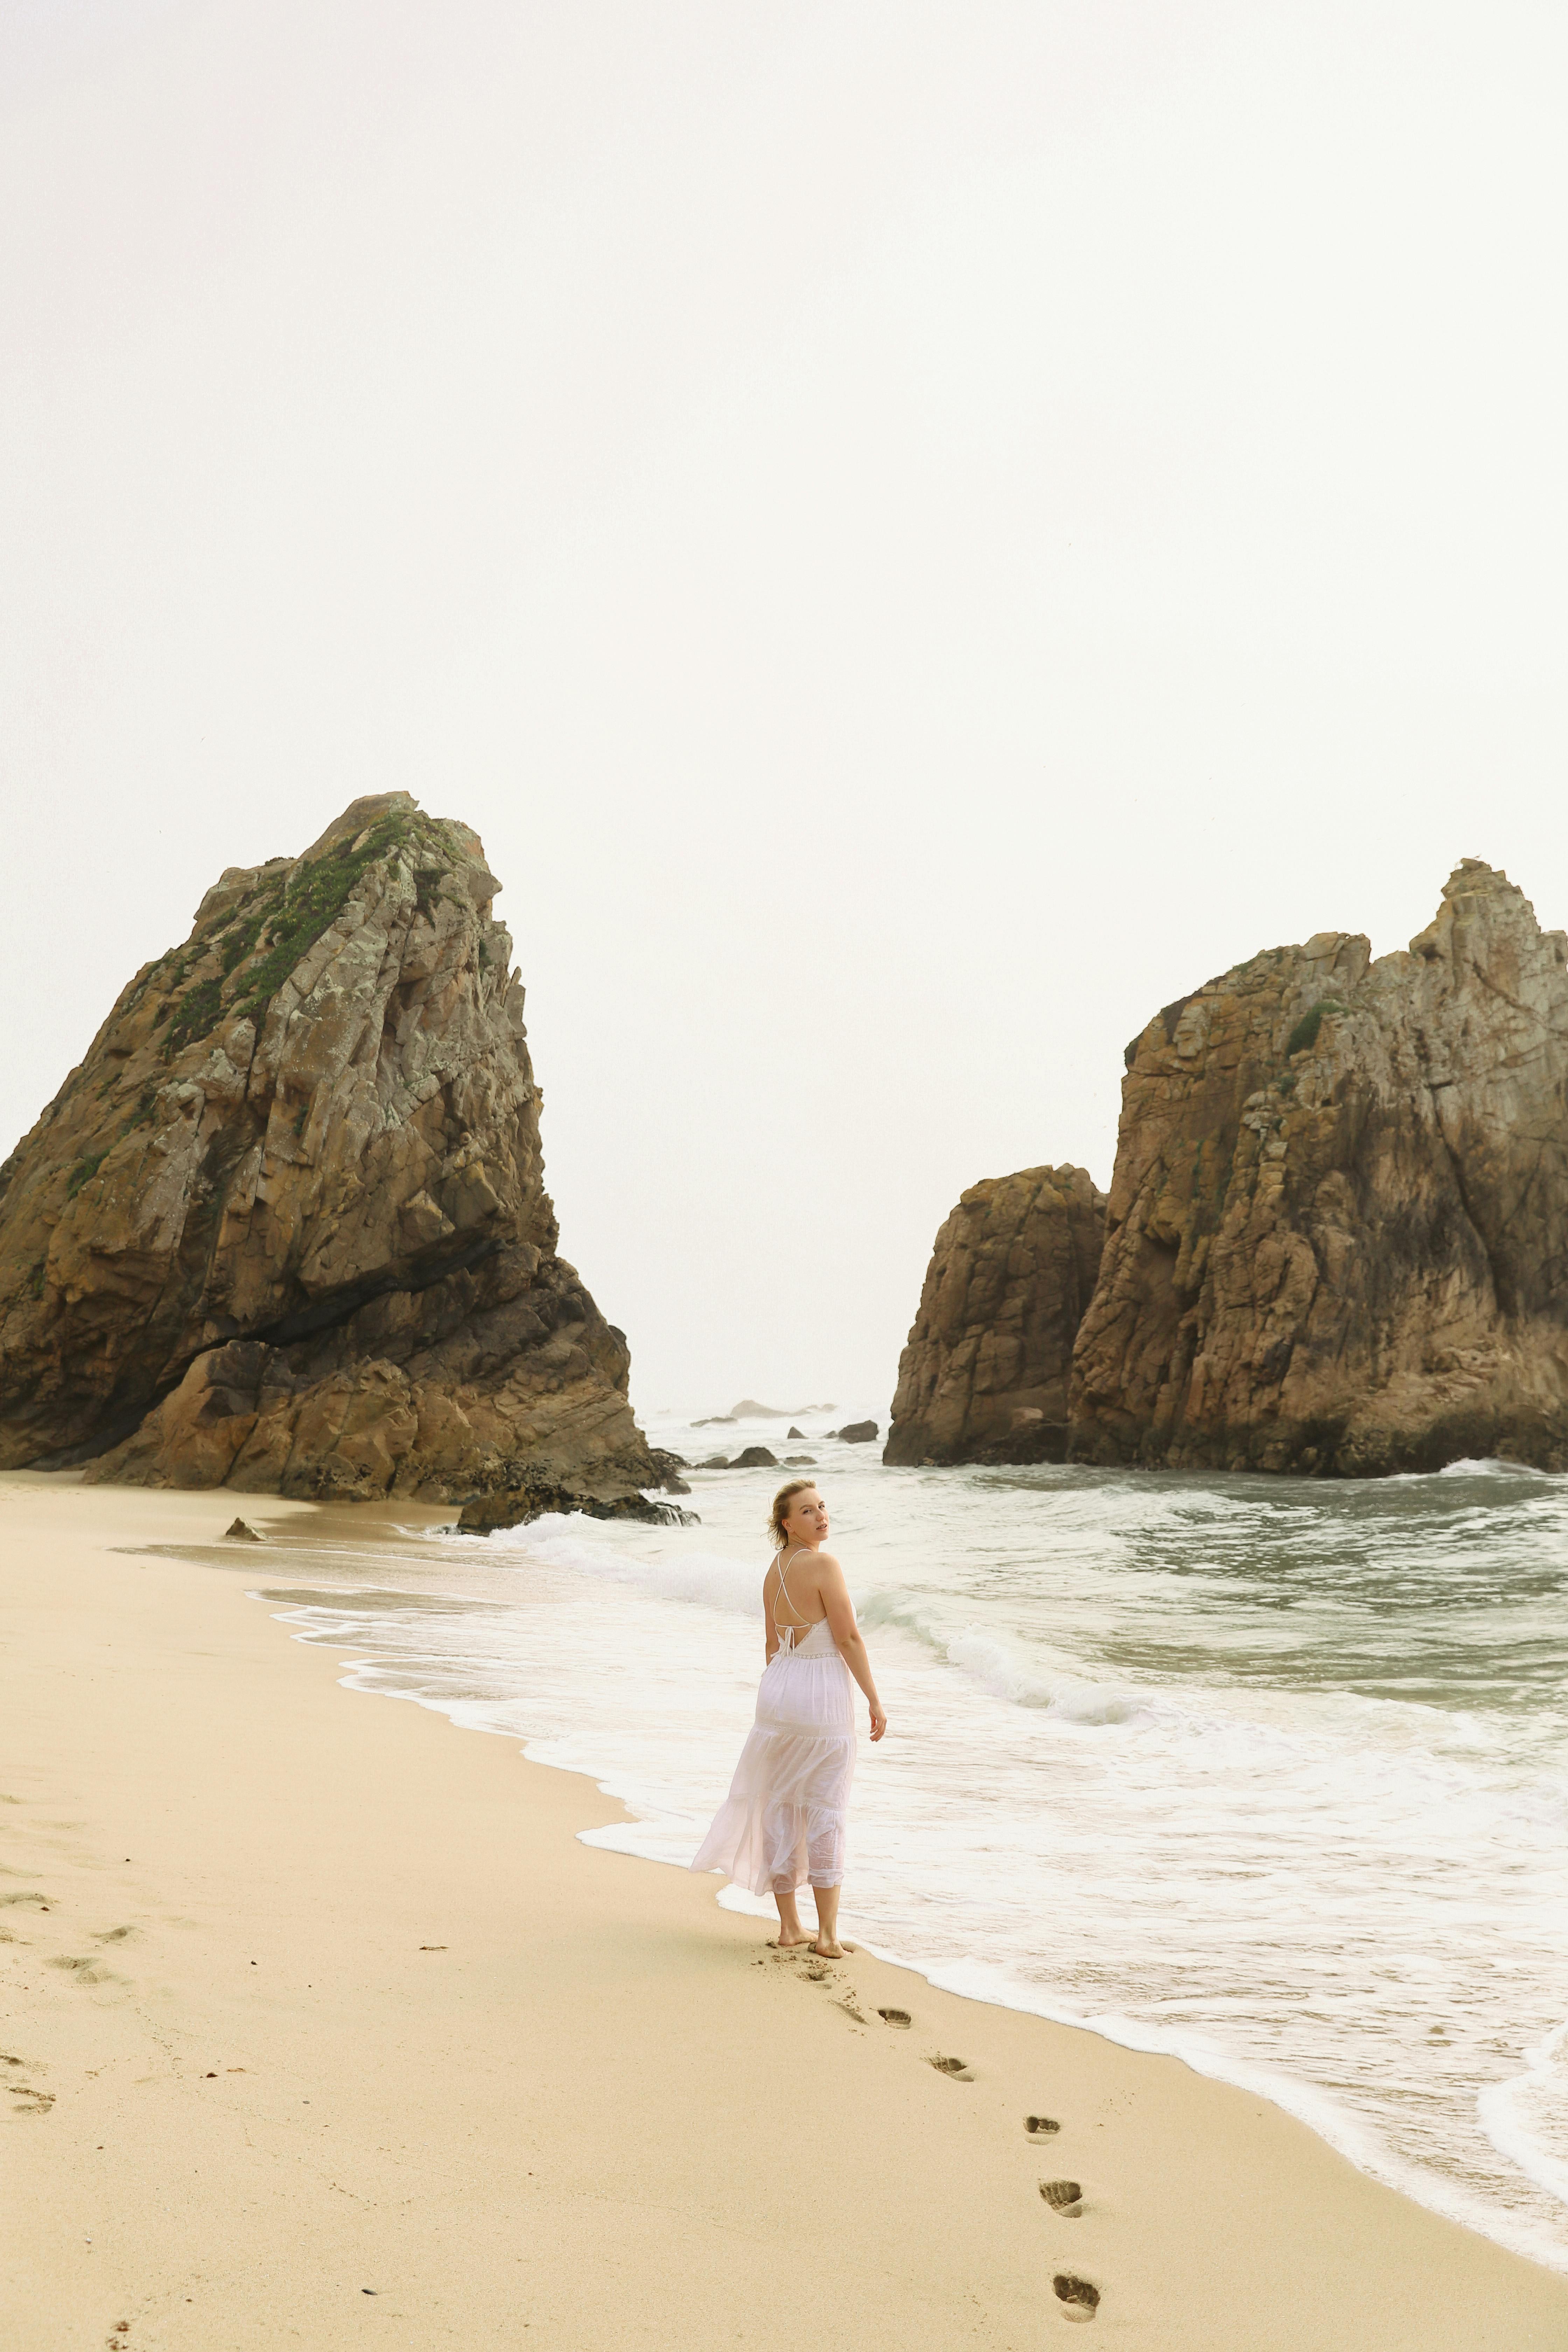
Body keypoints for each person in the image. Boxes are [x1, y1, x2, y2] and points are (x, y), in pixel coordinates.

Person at [690, 1479, 886, 1958]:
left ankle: (789, 1927)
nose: (820, 1516)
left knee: (780, 1805)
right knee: (824, 1809)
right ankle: (827, 1937)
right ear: (786, 1523)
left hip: (779, 1690)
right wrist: (874, 1701)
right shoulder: (824, 1564)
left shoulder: (775, 1570)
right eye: (807, 1511)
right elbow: (849, 1640)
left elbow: (771, 1646)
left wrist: (782, 1695)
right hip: (820, 1695)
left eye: (822, 1507)